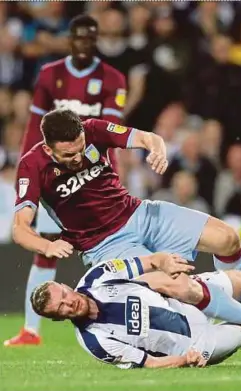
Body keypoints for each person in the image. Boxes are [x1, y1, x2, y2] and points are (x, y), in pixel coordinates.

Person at [8, 109, 241, 346]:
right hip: (106, 246)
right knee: (180, 286)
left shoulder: (93, 129)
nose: (78, 159)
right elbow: (20, 228)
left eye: (80, 150)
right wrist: (47, 245)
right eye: (68, 156)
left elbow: (147, 138)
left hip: (139, 213)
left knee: (227, 239)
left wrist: (158, 150)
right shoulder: (32, 166)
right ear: (48, 148)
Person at [5, 15, 127, 347]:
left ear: (96, 41)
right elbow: (33, 131)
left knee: (109, 250)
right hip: (54, 180)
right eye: (78, 38)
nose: (83, 44)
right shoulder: (49, 75)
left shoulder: (113, 79)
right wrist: (26, 175)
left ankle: (120, 317)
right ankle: (31, 330)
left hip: (91, 177)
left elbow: (109, 136)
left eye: (90, 39)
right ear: (70, 40)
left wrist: (110, 180)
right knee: (44, 248)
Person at [30, 254, 241, 368]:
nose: (70, 302)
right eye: (62, 308)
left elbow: (147, 263)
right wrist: (183, 360)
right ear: (58, 318)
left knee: (239, 280)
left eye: (64, 295)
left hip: (184, 304)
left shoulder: (98, 275)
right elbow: (148, 363)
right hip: (192, 344)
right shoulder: (95, 342)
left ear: (65, 285)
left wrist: (166, 262)